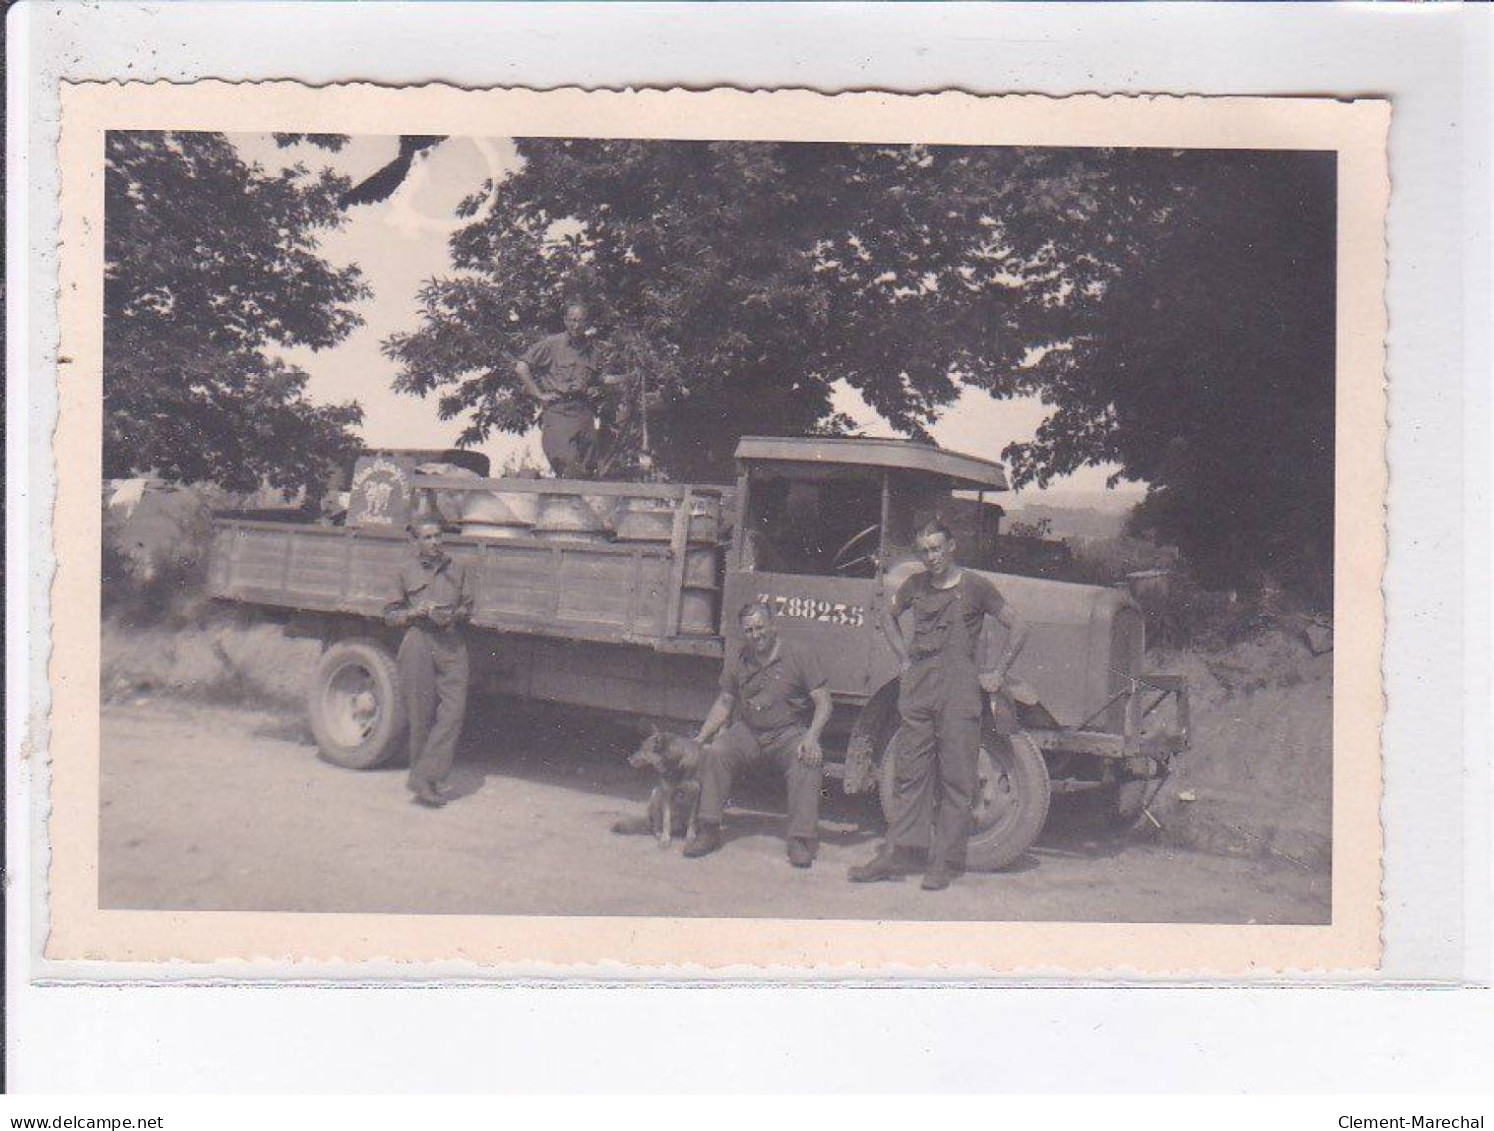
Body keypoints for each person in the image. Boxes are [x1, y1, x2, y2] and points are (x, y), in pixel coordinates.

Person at [849, 518, 1029, 890]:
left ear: (951, 548)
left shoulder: (975, 586)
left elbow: (1019, 625)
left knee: (957, 779)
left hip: (960, 692)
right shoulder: (915, 586)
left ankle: (943, 862)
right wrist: (902, 657)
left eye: (935, 549)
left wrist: (998, 671)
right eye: (924, 551)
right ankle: (896, 854)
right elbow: (887, 615)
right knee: (909, 774)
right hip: (919, 690)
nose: (930, 557)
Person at [683, 602, 834, 868]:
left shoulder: (799, 654)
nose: (756, 635)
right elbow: (725, 703)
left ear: (773, 625)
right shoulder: (741, 658)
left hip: (788, 734)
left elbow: (824, 702)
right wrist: (701, 738)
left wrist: (812, 737)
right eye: (749, 630)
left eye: (760, 628)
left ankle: (800, 839)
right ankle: (709, 829)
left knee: (807, 761)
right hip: (750, 731)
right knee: (718, 751)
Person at [384, 516, 473, 808]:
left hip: (451, 643)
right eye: (428, 537)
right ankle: (425, 782)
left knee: (453, 712)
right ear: (416, 541)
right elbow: (390, 616)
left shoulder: (457, 568)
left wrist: (453, 615)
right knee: (420, 715)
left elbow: (468, 606)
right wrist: (418, 611)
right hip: (418, 642)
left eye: (438, 536)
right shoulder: (403, 571)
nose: (435, 542)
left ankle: (425, 775)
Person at [515, 302, 623, 478]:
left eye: (581, 321)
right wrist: (538, 393)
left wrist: (630, 377)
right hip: (559, 412)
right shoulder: (552, 344)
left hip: (583, 413)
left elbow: (601, 380)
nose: (576, 325)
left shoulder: (592, 350)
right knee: (568, 466)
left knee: (588, 468)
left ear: (587, 323)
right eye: (572, 320)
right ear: (565, 321)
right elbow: (521, 367)